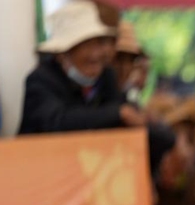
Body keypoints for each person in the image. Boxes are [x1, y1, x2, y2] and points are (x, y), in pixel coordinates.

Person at [18, 1, 145, 134]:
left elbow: (125, 116)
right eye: (86, 45)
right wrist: (117, 113)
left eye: (98, 43)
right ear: (62, 54)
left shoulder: (106, 77)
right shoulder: (41, 80)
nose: (96, 54)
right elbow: (56, 121)